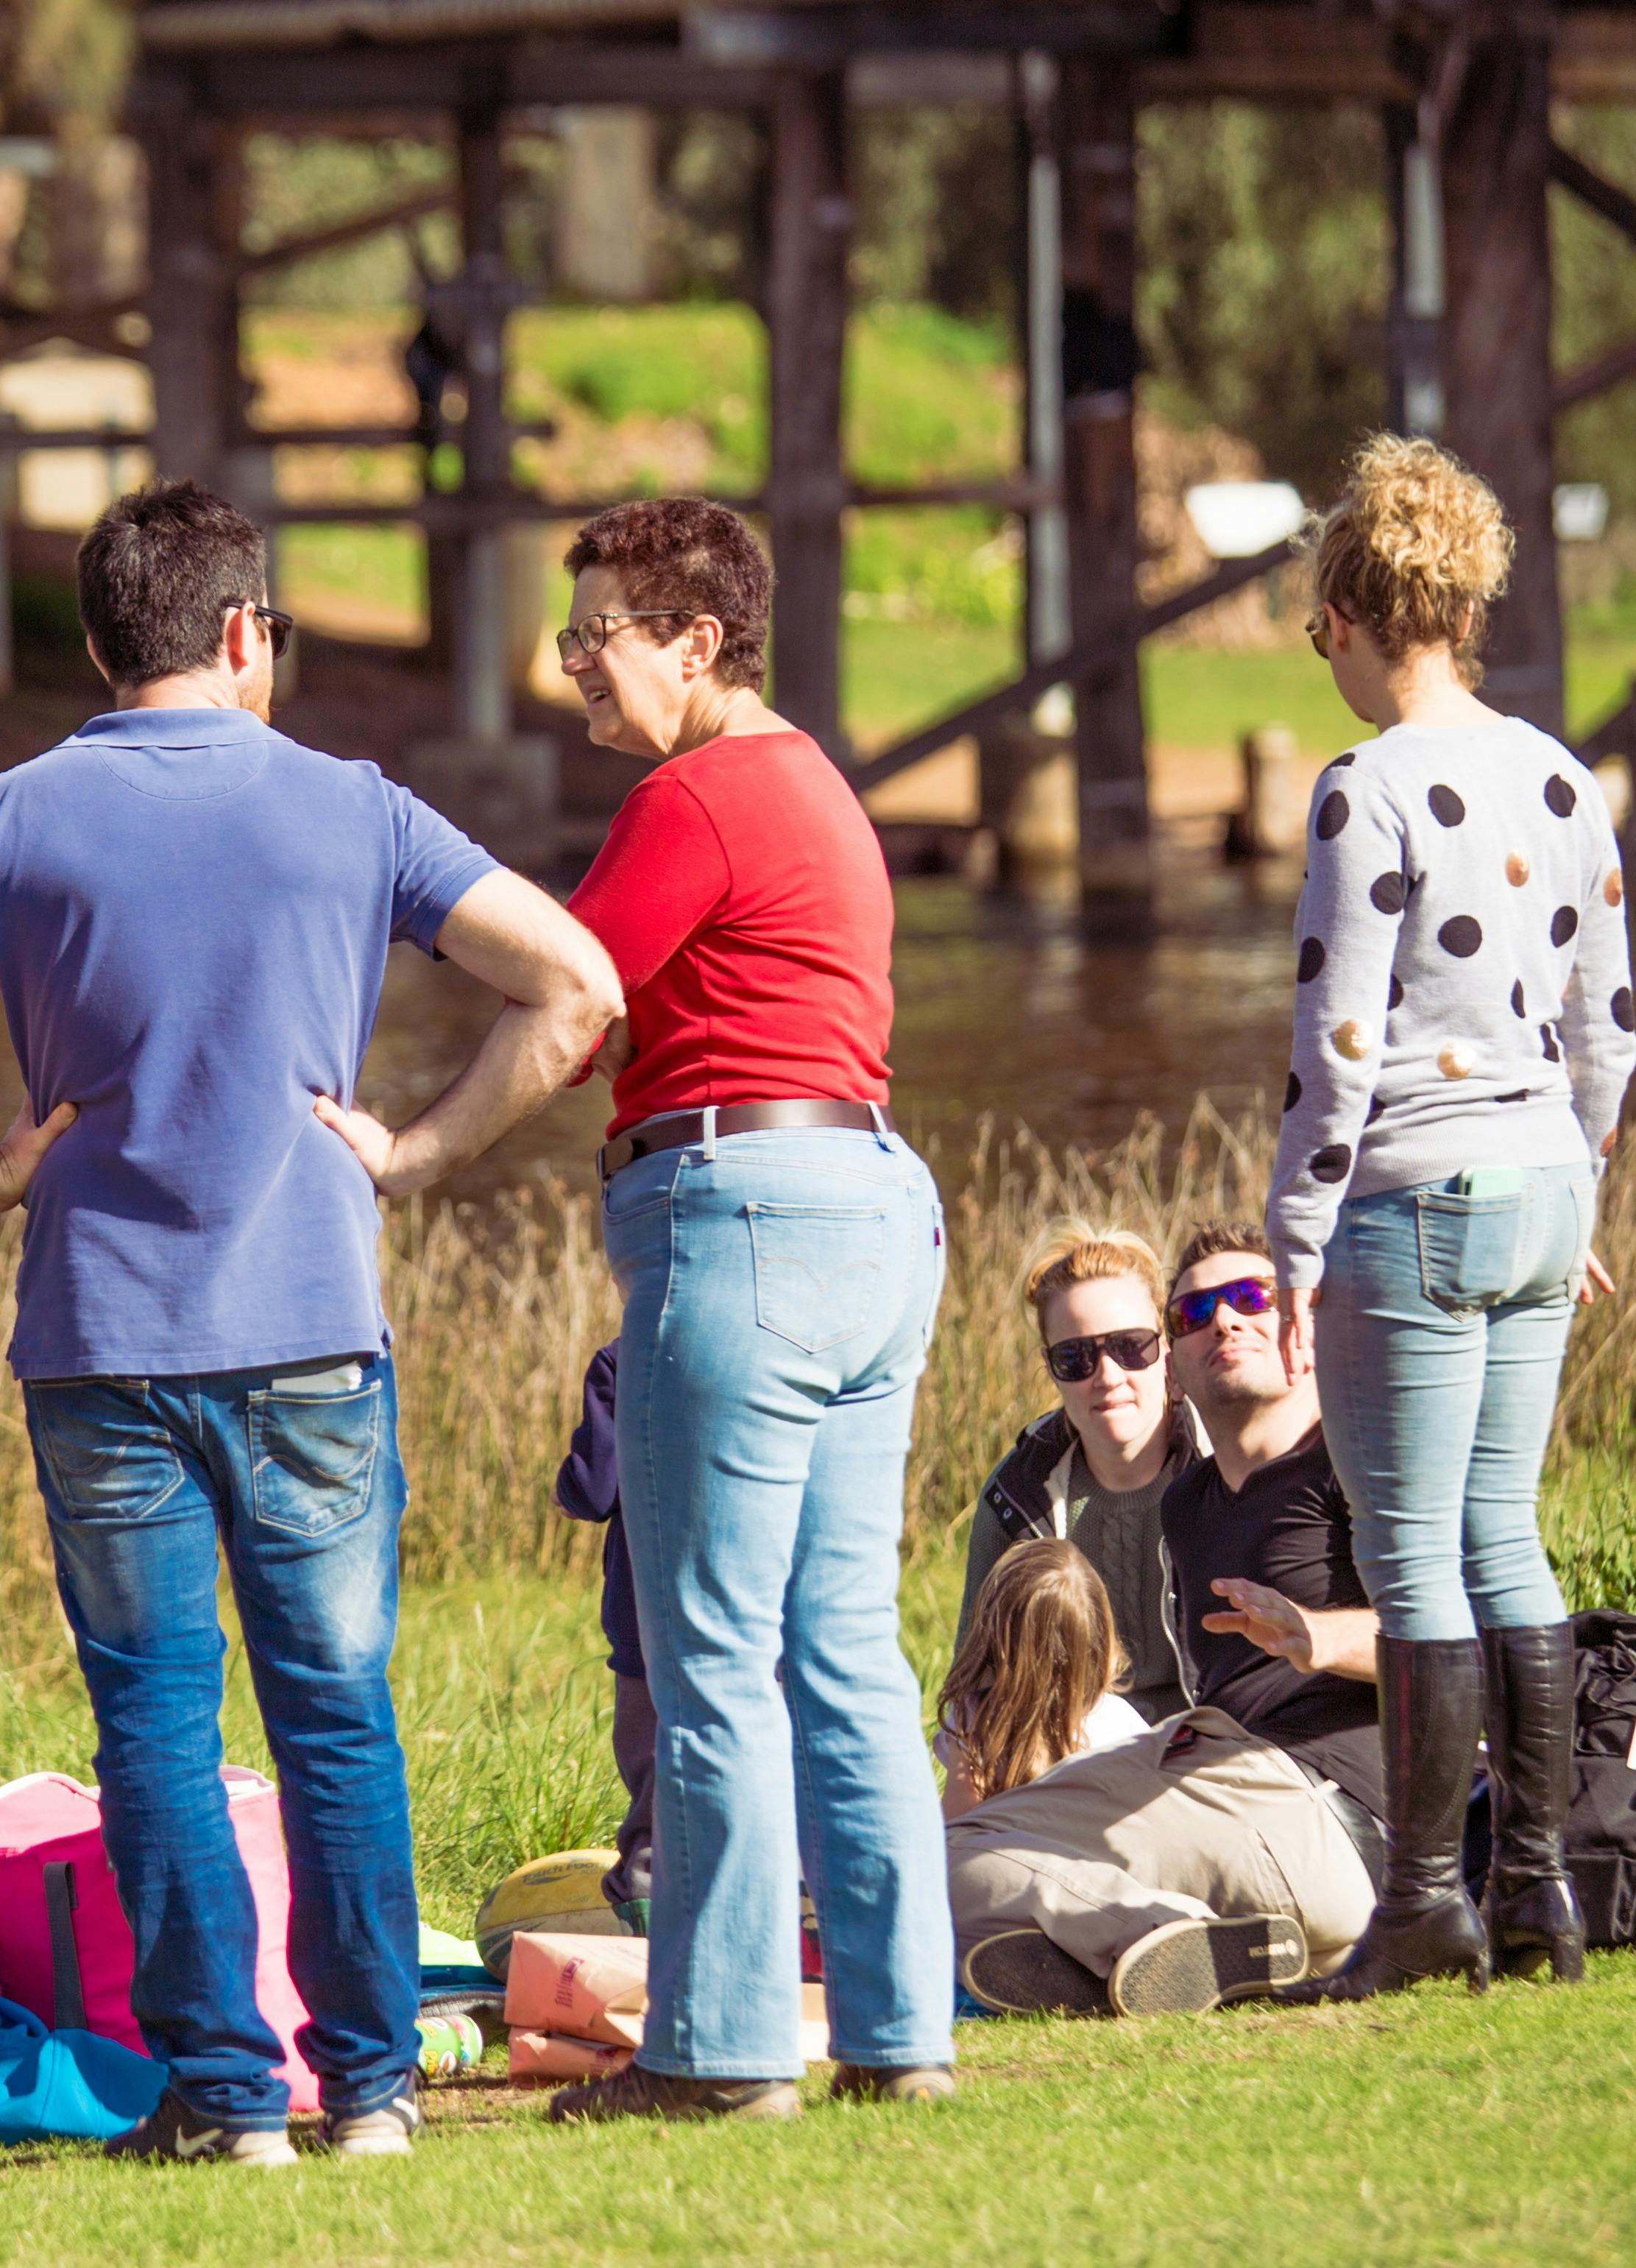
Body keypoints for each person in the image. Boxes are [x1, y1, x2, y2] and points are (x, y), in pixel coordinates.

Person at [0, 480, 620, 2166]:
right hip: (312, 1334)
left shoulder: (6, 814)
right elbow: (579, 982)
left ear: (100, 645)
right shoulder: (354, 807)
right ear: (245, 633)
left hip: (98, 1344)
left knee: (153, 1726)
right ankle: (372, 2093)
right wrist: (418, 1148)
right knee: (336, 1713)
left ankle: (228, 2099)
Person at [540, 497, 952, 2124]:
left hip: (747, 1221)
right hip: (870, 1209)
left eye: (598, 634)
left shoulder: (697, 791)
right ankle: (899, 2030)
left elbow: (576, 1001)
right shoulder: (815, 783)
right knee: (846, 1652)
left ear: (694, 643)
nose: (574, 663)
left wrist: (408, 1123)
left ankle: (715, 2052)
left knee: (711, 1656)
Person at [1270, 436, 1636, 1999]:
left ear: (1350, 613)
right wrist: (1584, 1175)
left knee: (1414, 1552)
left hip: (1414, 1192)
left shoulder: (1364, 791)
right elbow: (1606, 1020)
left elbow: (1335, 1044)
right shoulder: (1562, 774)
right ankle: (1538, 1887)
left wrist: (1291, 1246)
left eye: (1318, 632)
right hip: (1549, 1182)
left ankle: (1425, 1902)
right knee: (1507, 1536)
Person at [947, 1223, 1385, 2020]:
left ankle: (1141, 1931)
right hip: (1208, 1780)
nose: (1225, 1322)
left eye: (1253, 1300)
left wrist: (1323, 1638)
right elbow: (978, 1694)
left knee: (999, 1848)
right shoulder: (1188, 1505)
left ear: (1302, 1324)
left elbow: (1466, 1646)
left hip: (1328, 1812)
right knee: (949, 1860)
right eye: (1199, 1313)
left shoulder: (1360, 1458)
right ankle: (1176, 1944)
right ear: (1183, 1353)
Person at [957, 1223, 1211, 1723]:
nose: (1108, 1376)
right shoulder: (1016, 1497)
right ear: (1049, 1369)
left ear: (1165, 1349)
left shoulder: (1226, 1466)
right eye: (1075, 1357)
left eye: (1130, 1346)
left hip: (1214, 1745)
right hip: (1071, 1752)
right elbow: (974, 1687)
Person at [936, 1540, 1155, 1822]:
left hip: (1006, 1861)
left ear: (991, 1638)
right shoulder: (1122, 1721)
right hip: (1097, 1862)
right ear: (1100, 1639)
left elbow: (956, 1827)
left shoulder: (977, 1719)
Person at [551, 1341, 654, 1926]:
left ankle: (647, 1907)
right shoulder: (773, 1342)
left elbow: (595, 1488)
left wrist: (564, 1490)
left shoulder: (625, 1358)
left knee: (654, 1765)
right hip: (763, 1608)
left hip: (648, 1604)